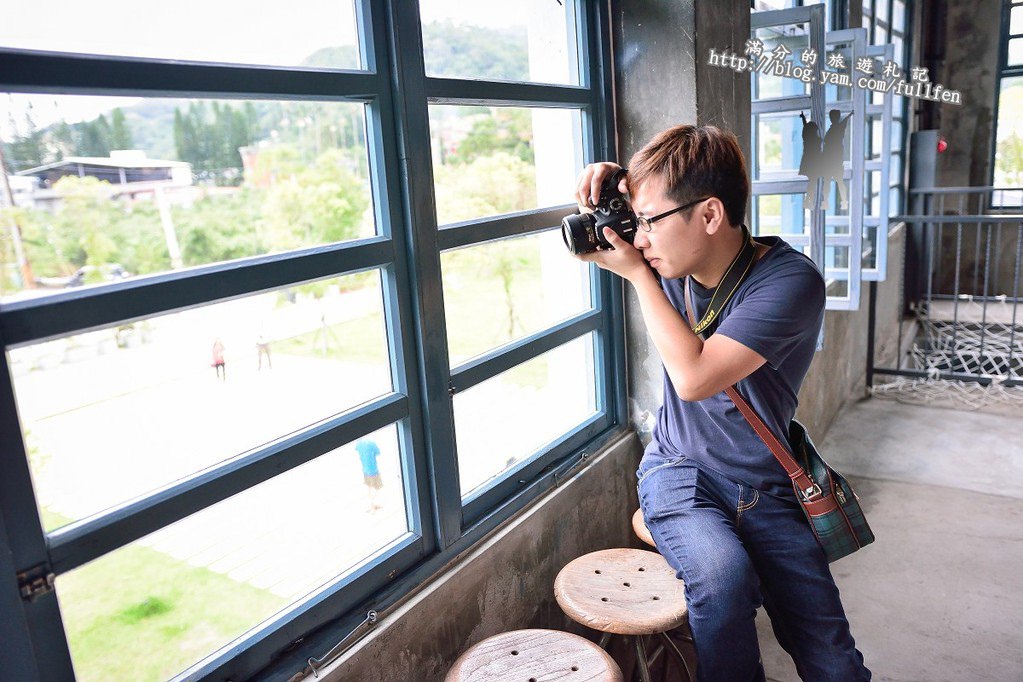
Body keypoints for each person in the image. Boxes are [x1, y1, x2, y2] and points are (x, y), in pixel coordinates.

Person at [572, 125, 869, 681]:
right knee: (722, 578)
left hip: (768, 482)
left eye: (649, 223)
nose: (639, 241)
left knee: (832, 658)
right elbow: (654, 227)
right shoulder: (670, 261)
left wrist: (637, 277)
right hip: (679, 468)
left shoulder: (789, 282)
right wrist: (617, 191)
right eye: (636, 223)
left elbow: (694, 377)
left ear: (709, 215)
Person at [821, 109, 851, 210]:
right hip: (832, 160)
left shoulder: (837, 128)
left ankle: (840, 201)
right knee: (834, 182)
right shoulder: (836, 128)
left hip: (834, 160)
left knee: (834, 182)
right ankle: (829, 201)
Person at [355, 438, 383, 512]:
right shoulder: (372, 443)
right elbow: (378, 453)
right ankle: (372, 505)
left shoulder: (359, 444)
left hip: (365, 470)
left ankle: (371, 505)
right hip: (373, 469)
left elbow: (356, 449)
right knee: (377, 488)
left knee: (369, 487)